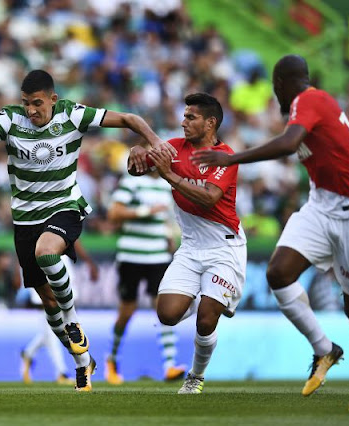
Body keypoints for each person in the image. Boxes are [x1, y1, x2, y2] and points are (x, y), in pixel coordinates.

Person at [0, 69, 175, 392]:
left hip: (64, 207)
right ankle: (83, 362)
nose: (31, 110)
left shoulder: (72, 114)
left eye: (37, 103)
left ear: (53, 99)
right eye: (26, 103)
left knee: (47, 254)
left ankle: (73, 322)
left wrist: (155, 141)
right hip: (25, 219)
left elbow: (129, 118)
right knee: (48, 303)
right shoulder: (10, 119)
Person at [191, 55, 349, 410]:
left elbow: (287, 143)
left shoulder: (308, 100)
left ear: (281, 83)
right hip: (321, 206)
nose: (274, 93)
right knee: (279, 273)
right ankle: (325, 349)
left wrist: (232, 158)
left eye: (274, 86)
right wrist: (338, 179)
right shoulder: (321, 105)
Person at [130, 92, 247, 394]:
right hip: (191, 247)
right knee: (167, 315)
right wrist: (136, 152)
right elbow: (137, 167)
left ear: (210, 123)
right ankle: (208, 294)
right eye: (184, 116)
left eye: (191, 117)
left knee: (205, 321)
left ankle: (196, 376)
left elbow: (209, 198)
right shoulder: (173, 148)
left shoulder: (224, 156)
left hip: (224, 247)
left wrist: (169, 176)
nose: (183, 122)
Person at [104, 162, 186, 384]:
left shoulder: (166, 185)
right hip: (131, 255)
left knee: (164, 309)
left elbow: (166, 218)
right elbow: (113, 213)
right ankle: (112, 360)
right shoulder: (131, 182)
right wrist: (145, 211)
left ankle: (170, 365)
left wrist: (169, 236)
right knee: (127, 311)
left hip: (158, 256)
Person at [20, 240, 99, 385]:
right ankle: (61, 371)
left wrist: (88, 261)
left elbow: (73, 237)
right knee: (49, 311)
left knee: (55, 326)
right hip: (37, 257)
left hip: (58, 259)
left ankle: (28, 353)